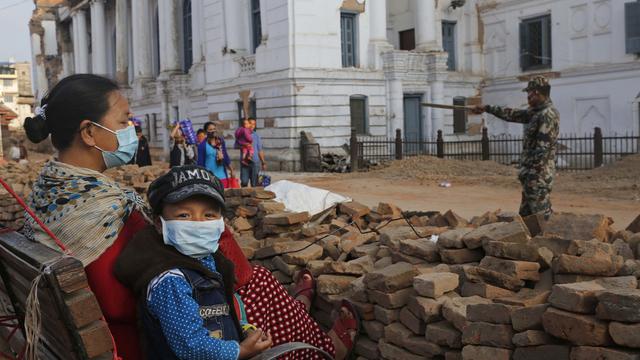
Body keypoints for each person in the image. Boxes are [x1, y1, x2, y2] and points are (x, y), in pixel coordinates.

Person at [22, 74, 148, 359]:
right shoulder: (107, 209)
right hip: (122, 347)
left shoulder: (46, 191)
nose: (131, 131)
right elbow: (118, 305)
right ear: (89, 133)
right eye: (124, 122)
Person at [114, 165, 273, 359]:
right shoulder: (169, 280)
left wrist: (243, 331)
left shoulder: (208, 261)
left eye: (209, 215)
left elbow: (218, 316)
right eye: (184, 215)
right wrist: (240, 351)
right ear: (159, 224)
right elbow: (191, 346)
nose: (198, 223)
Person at [473, 75, 560, 219]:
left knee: (542, 216)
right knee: (526, 216)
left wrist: (532, 176)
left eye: (529, 93)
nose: (527, 97)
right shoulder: (536, 113)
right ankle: (526, 240)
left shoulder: (547, 115)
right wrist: (487, 108)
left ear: (536, 92)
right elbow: (512, 115)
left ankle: (550, 239)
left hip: (537, 175)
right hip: (530, 175)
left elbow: (542, 150)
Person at [197, 121, 234, 188]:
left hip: (222, 177)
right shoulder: (202, 146)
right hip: (210, 179)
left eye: (214, 129)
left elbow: (225, 157)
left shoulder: (220, 141)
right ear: (206, 132)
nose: (213, 131)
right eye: (210, 129)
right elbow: (200, 164)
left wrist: (231, 170)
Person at [241, 118, 266, 187]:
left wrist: (263, 162)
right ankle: (244, 196)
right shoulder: (241, 135)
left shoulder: (256, 136)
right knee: (244, 181)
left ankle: (252, 197)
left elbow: (260, 150)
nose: (252, 126)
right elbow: (237, 145)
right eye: (250, 123)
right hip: (245, 162)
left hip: (255, 162)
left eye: (254, 124)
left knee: (254, 183)